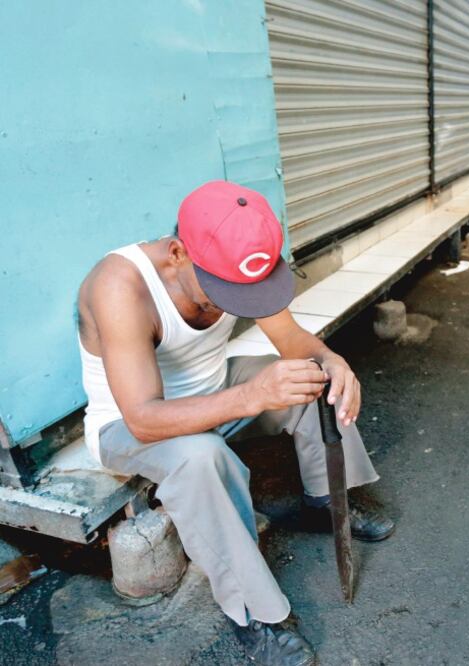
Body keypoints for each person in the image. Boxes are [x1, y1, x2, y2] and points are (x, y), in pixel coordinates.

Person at [77, 180, 396, 666]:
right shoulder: (119, 285)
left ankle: (326, 501)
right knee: (201, 457)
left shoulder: (239, 260)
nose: (234, 303)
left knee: (310, 379)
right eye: (223, 291)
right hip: (129, 422)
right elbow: (143, 419)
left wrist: (334, 362)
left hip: (216, 389)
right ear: (180, 253)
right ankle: (255, 614)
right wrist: (251, 396)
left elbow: (291, 339)